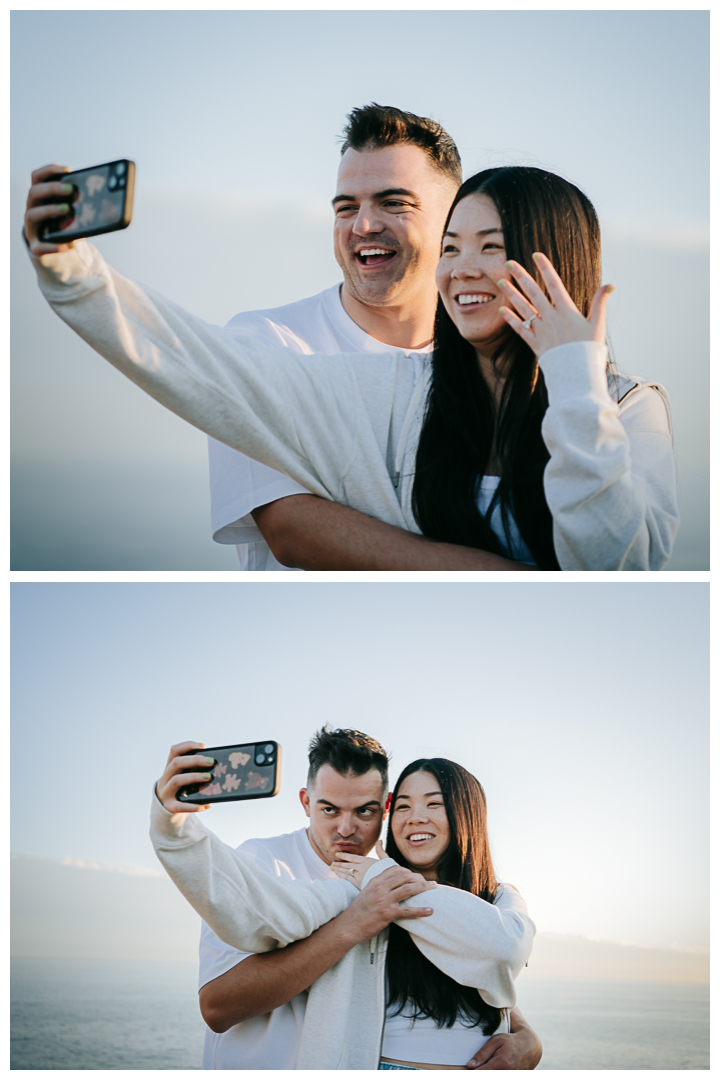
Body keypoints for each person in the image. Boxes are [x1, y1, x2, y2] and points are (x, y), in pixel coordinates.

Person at [24, 160, 679, 569]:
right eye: (451, 248)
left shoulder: (629, 408)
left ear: (555, 260)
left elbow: (614, 570)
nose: (463, 270)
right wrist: (74, 276)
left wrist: (572, 379)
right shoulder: (402, 391)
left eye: (493, 246)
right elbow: (213, 372)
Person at [151, 728, 540, 1070]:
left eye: (365, 811)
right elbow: (218, 1007)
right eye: (329, 809)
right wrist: (352, 926)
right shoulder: (262, 863)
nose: (346, 828)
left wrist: (524, 1033)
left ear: (385, 808)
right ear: (306, 802)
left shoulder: (382, 880)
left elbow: (455, 968)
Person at [210, 104, 477, 572]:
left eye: (393, 203)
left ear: (455, 220)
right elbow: (290, 530)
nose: (363, 226)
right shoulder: (267, 342)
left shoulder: (488, 359)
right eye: (346, 207)